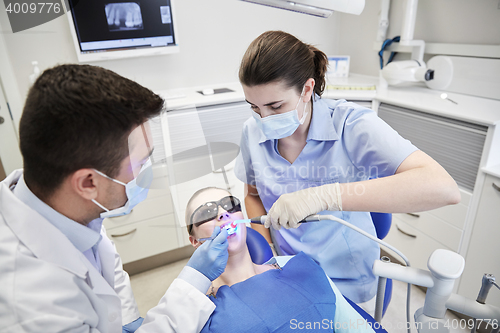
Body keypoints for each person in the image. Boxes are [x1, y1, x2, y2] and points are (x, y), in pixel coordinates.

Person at [234, 30, 461, 311]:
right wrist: (268, 254)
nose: (264, 119)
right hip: (289, 270)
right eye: (254, 107)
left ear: (306, 89)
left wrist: (325, 196)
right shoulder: (251, 131)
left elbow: (443, 187)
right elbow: (253, 196)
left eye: (275, 106)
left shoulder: (350, 125)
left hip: (348, 278)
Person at [0, 64, 228, 333]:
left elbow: (103, 265)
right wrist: (194, 280)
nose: (146, 174)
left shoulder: (62, 203)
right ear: (88, 183)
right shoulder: (30, 301)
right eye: (140, 163)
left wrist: (127, 316)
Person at [185, 187, 377, 333]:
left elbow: (356, 328)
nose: (223, 213)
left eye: (229, 205)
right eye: (207, 212)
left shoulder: (299, 267)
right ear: (195, 241)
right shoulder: (196, 308)